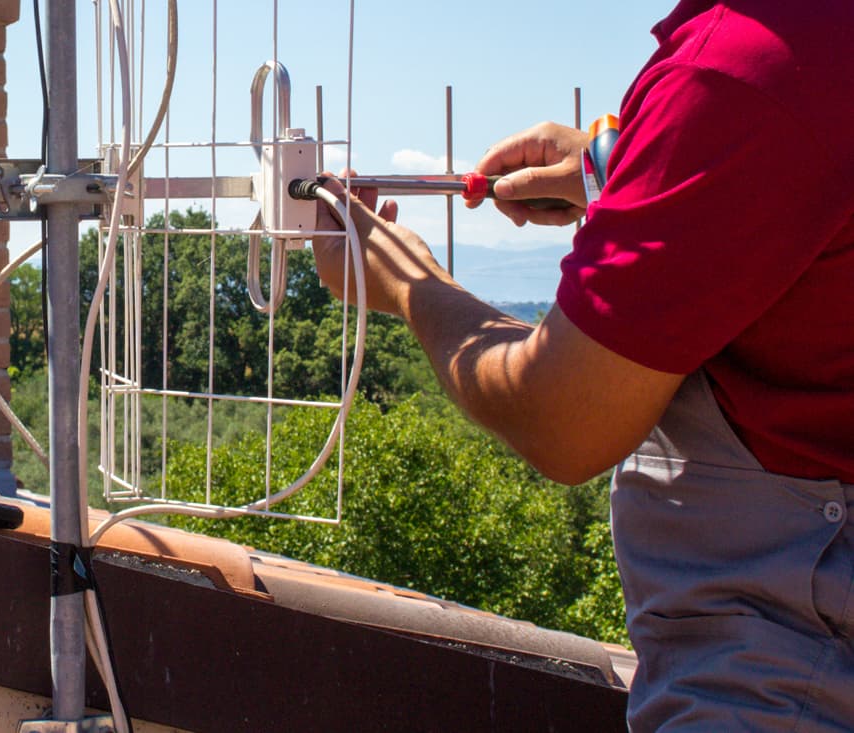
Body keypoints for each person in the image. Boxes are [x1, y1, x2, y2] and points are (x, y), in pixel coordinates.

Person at [309, 1, 854, 729]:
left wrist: (408, 282)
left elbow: (562, 415)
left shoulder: (742, 69)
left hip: (779, 672)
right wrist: (633, 166)